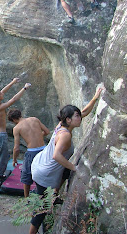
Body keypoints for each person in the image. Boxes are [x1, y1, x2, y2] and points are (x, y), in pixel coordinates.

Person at [29, 87, 103, 234]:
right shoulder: (65, 135)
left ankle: (55, 195)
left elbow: (85, 112)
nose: (79, 118)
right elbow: (57, 156)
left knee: (63, 173)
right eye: (76, 116)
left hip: (39, 164)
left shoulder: (63, 124)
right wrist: (75, 168)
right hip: (44, 173)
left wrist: (95, 98)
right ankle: (31, 231)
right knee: (43, 207)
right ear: (68, 119)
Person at [0, 78, 31, 182]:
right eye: (1, 94)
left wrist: (12, 82)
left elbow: (2, 91)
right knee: (3, 157)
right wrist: (24, 88)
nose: (2, 94)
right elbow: (14, 99)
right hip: (0, 135)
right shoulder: (0, 108)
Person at [7, 109, 50, 197]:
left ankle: (26, 198)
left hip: (32, 152)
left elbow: (16, 148)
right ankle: (47, 195)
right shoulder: (34, 119)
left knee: (26, 175)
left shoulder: (17, 128)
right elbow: (47, 132)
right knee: (43, 171)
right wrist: (37, 136)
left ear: (13, 120)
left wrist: (14, 159)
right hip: (44, 150)